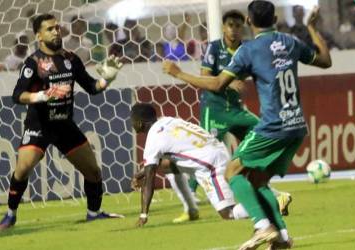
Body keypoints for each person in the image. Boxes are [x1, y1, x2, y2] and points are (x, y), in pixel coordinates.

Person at [163, 1, 331, 249]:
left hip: (273, 126)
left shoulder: (249, 50)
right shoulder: (290, 42)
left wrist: (179, 74)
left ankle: (263, 227)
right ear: (274, 18)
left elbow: (217, 84)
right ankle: (282, 238)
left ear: (249, 22)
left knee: (232, 172)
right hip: (296, 126)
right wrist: (311, 27)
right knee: (257, 181)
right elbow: (325, 61)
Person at [0, 13, 124, 232]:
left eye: (57, 28)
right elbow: (17, 95)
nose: (56, 31)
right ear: (39, 36)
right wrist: (41, 96)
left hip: (64, 125)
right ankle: (11, 214)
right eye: (50, 29)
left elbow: (92, 88)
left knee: (93, 172)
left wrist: (107, 79)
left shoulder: (71, 59)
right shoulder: (33, 62)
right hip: (39, 126)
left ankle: (94, 214)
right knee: (23, 169)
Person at [173, 10, 291, 224]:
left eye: (238, 26)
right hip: (214, 109)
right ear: (223, 26)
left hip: (236, 110)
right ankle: (189, 205)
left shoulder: (247, 48)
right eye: (230, 25)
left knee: (264, 134)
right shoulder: (214, 48)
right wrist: (230, 80)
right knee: (204, 155)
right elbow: (206, 79)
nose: (234, 29)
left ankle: (265, 189)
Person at [131, 103, 252, 227]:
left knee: (228, 214)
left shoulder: (152, 141)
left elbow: (149, 178)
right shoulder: (168, 120)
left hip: (210, 166)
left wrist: (143, 215)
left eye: (132, 120)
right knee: (168, 165)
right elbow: (157, 164)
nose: (132, 124)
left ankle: (265, 205)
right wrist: (140, 174)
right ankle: (190, 208)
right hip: (217, 151)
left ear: (140, 123)